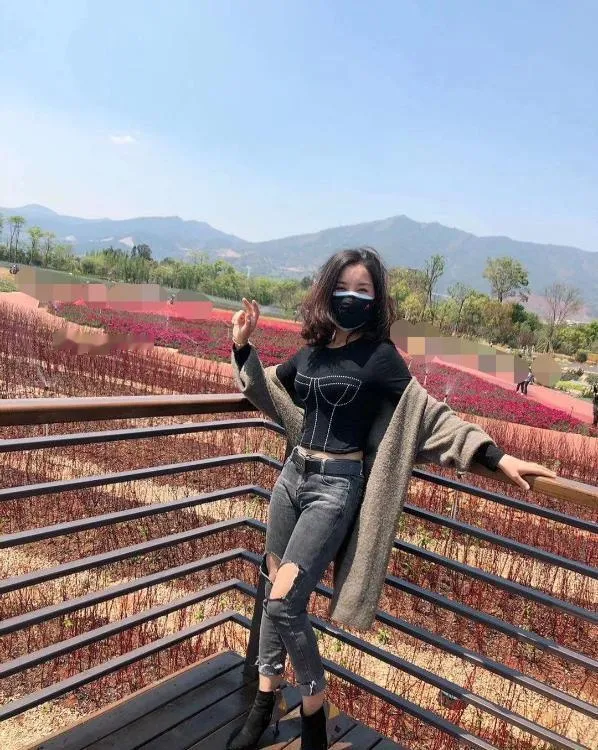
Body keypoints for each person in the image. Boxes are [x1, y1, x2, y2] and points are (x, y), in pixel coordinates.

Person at [227, 248, 556, 750]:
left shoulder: (380, 358)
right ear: (326, 291)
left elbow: (428, 414)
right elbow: (272, 389)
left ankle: (313, 705)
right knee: (274, 587)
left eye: (363, 290)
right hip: (292, 478)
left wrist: (494, 455)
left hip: (335, 488)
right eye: (343, 287)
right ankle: (265, 698)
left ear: (376, 299)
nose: (351, 297)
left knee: (285, 602)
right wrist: (241, 346)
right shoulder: (312, 352)